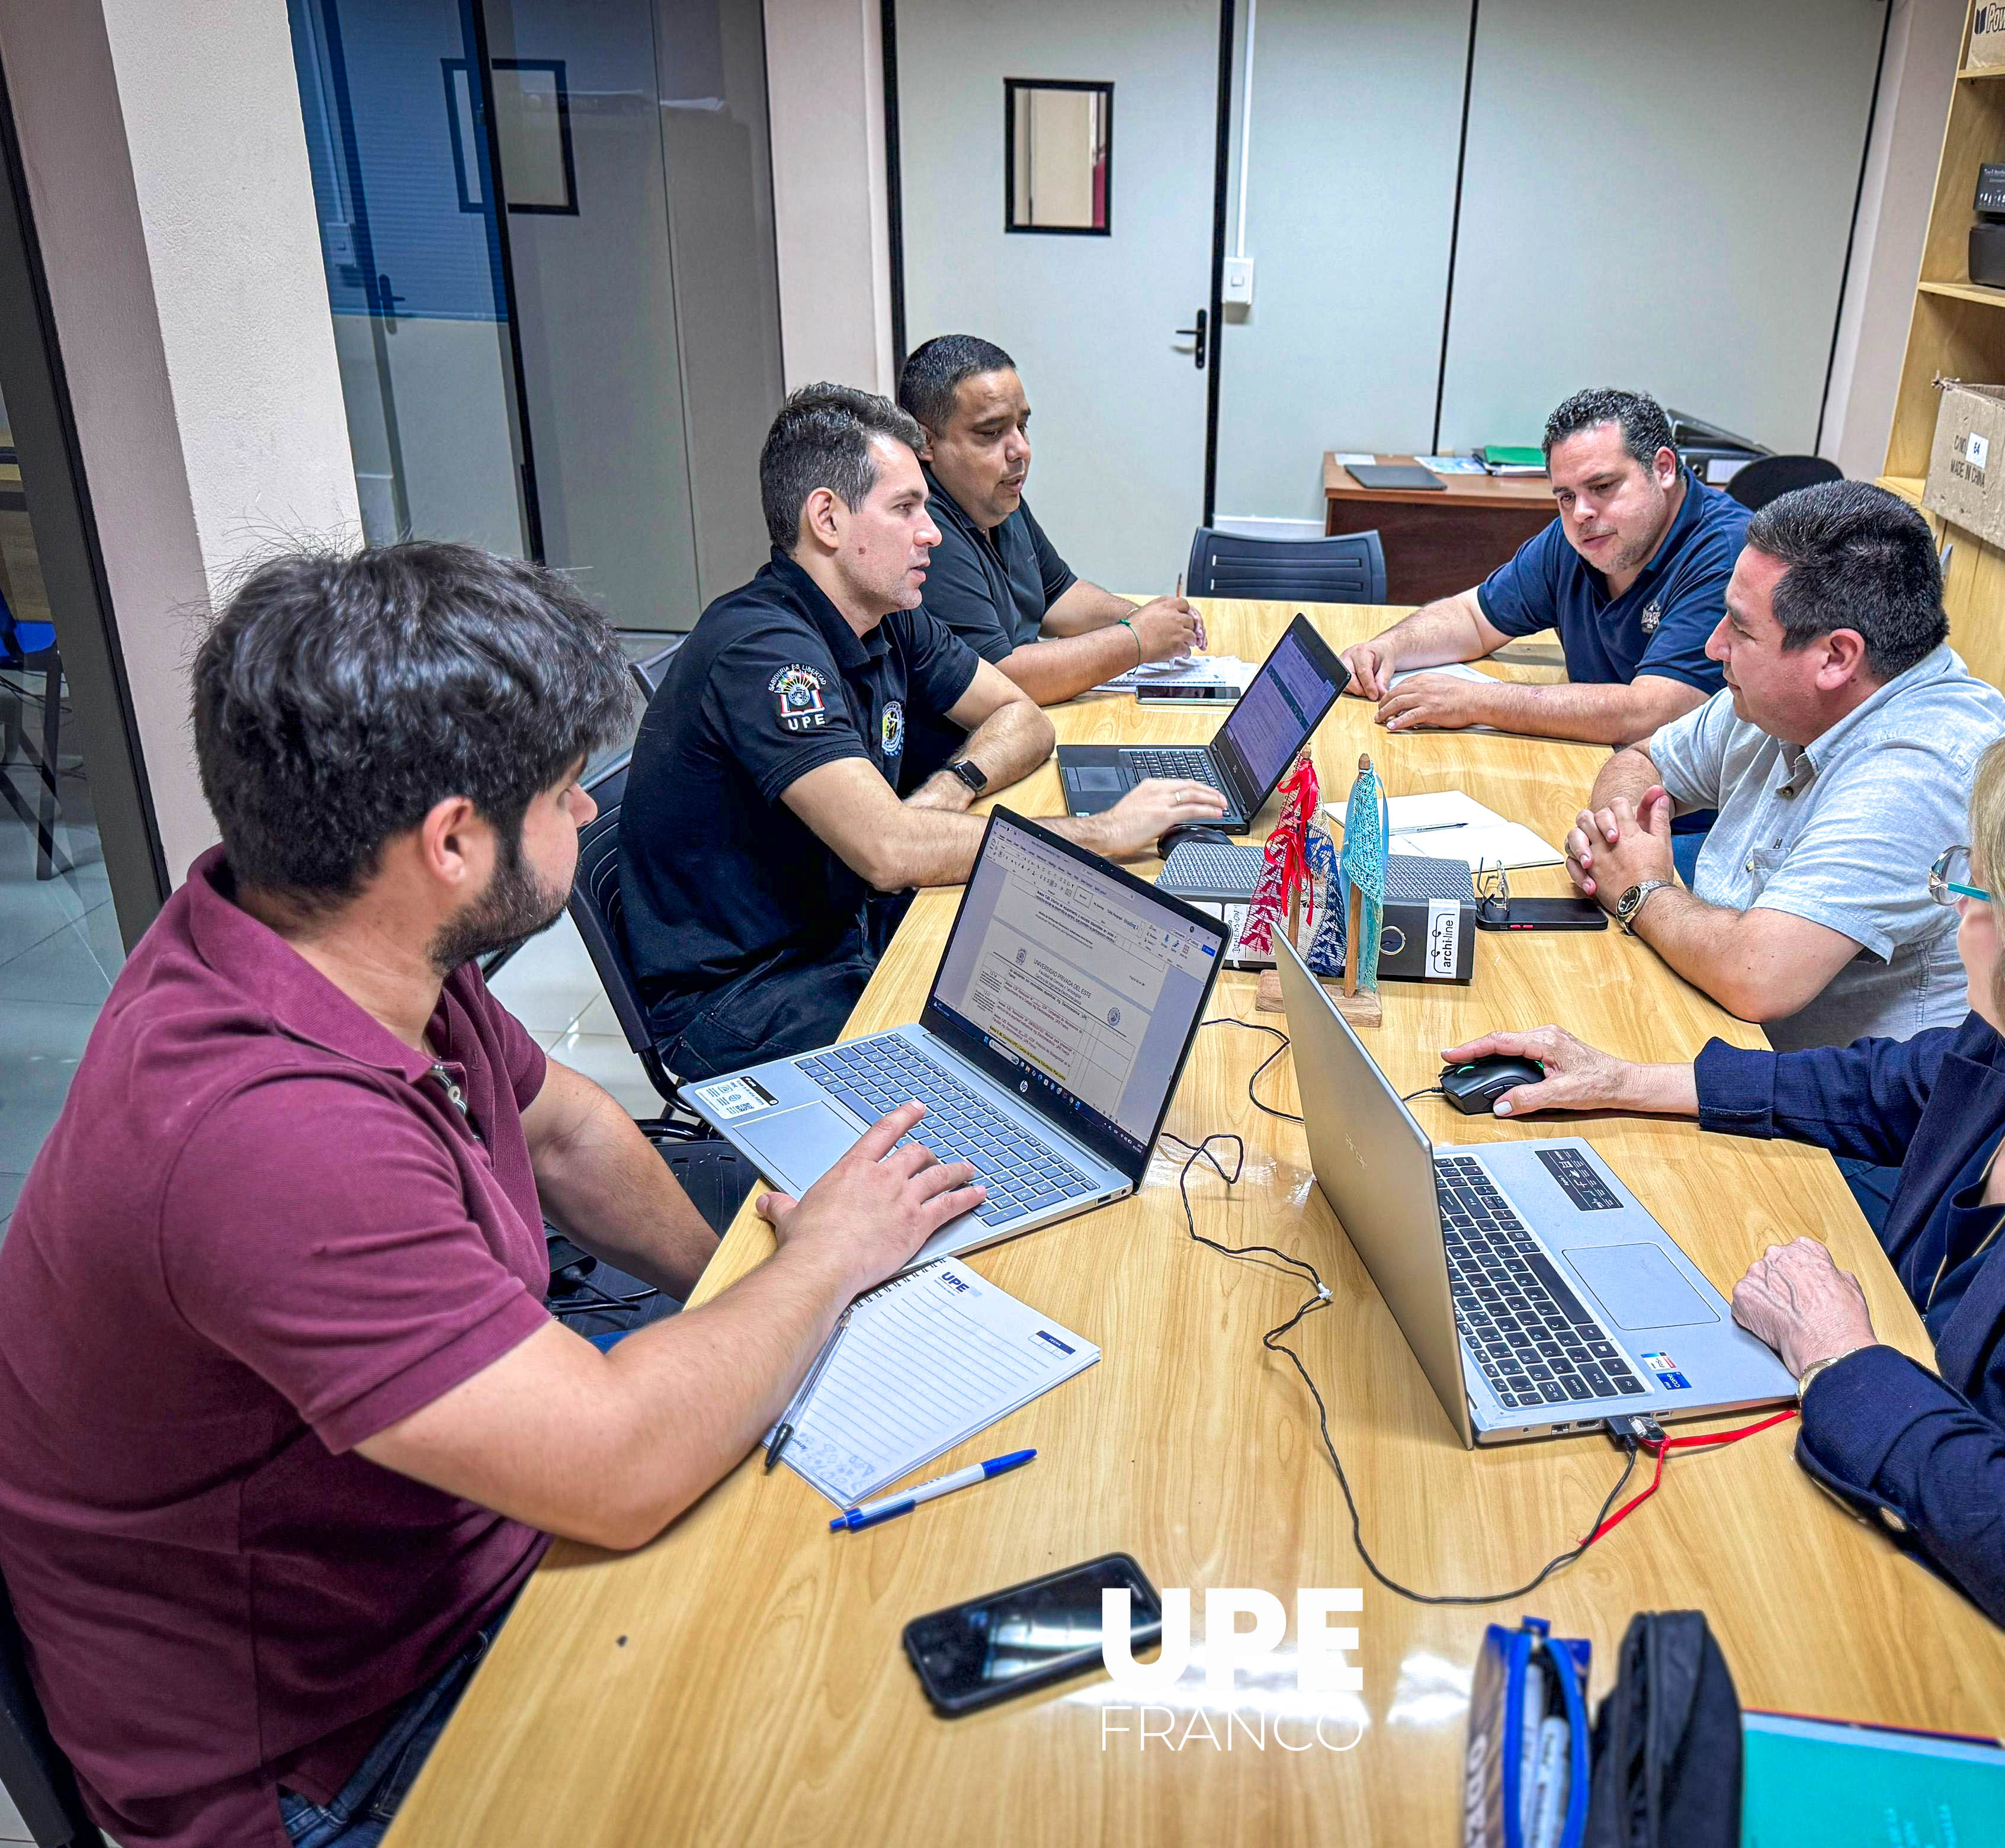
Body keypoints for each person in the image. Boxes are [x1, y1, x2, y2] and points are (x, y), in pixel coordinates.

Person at [0, 541, 989, 1848]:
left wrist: (731, 1276)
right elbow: (618, 1465)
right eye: (569, 792)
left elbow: (564, 1125)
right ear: (452, 841)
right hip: (334, 1744)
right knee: (843, 1741)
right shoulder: (268, 1141)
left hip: (441, 1541)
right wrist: (820, 1265)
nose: (590, 816)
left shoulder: (338, 925)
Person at [1448, 713, 2005, 1848]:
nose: (1954, 905)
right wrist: (1629, 1078)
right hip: (1963, 1577)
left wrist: (1842, 1358)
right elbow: (1879, 1087)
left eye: (1975, 882)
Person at [620, 384, 1224, 1081]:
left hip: (844, 932)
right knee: (1033, 1063)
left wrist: (950, 787)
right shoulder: (764, 653)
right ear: (827, 519)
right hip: (751, 999)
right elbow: (888, 853)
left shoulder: (884, 610)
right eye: (905, 508)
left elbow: (1021, 718)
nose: (930, 531)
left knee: (1085, 1004)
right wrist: (1102, 835)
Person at [1564, 480, 2005, 1060]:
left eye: (1740, 629)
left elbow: (1755, 977)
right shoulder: (1780, 692)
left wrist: (1638, 890)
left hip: (1845, 1119)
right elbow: (1643, 758)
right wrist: (1621, 831)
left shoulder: (1921, 769)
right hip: (1723, 1030)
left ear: (1835, 657)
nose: (1712, 647)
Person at [1336, 387, 1749, 877]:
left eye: (1603, 487)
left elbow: (1652, 711)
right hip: (1592, 778)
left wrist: (1476, 702)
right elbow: (1474, 618)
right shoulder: (1581, 537)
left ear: (1663, 468)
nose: (1580, 514)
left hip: (1691, 829)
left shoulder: (1725, 553)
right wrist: (1389, 647)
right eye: (1566, 496)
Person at [896, 333, 1206, 773]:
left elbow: (1058, 593)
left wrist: (1145, 617)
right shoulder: (926, 532)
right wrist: (1136, 640)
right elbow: (1002, 675)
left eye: (1022, 426)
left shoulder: (995, 497)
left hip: (1024, 737)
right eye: (991, 433)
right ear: (926, 442)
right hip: (968, 760)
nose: (1020, 449)